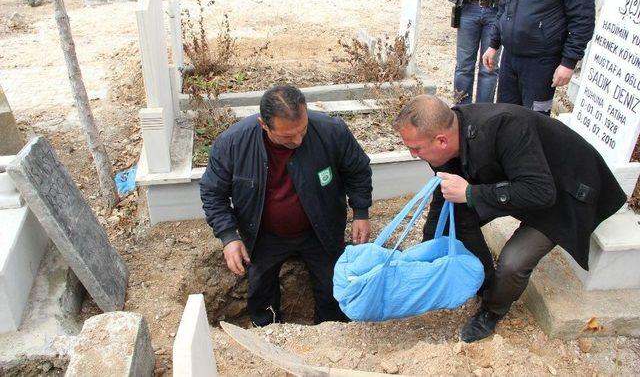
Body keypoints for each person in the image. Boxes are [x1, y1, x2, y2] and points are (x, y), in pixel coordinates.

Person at [394, 95, 626, 342]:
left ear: (441, 141)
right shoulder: (446, 140)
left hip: (563, 193)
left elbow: (541, 192)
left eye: (415, 148)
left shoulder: (506, 127)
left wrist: (472, 193)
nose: (412, 154)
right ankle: (484, 284)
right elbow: (446, 199)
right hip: (518, 183)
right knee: (456, 218)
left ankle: (491, 310)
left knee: (513, 262)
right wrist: (430, 246)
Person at [199, 85, 373, 326]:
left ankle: (331, 331)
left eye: (302, 130)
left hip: (320, 230)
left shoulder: (331, 131)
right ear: (264, 125)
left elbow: (358, 171)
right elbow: (212, 193)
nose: (298, 140)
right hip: (263, 233)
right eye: (287, 136)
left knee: (332, 288)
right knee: (261, 291)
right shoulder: (233, 144)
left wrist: (361, 212)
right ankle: (268, 330)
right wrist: (229, 237)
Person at [482, 0, 595, 114]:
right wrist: (494, 44)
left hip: (541, 63)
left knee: (535, 120)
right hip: (510, 58)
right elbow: (504, 8)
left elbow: (582, 20)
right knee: (505, 115)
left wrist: (568, 62)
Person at [448, 0, 517, 104]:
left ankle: (483, 117)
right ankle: (461, 112)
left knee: (489, 68)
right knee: (464, 66)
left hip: (497, 9)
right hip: (468, 6)